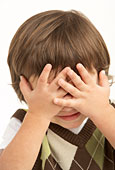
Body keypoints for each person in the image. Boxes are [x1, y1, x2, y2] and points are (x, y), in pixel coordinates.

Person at [0, 10, 114, 170]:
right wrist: (38, 115)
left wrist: (103, 111)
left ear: (101, 77)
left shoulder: (111, 114)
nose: (67, 102)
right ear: (25, 86)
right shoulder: (23, 125)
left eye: (77, 86)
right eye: (54, 90)